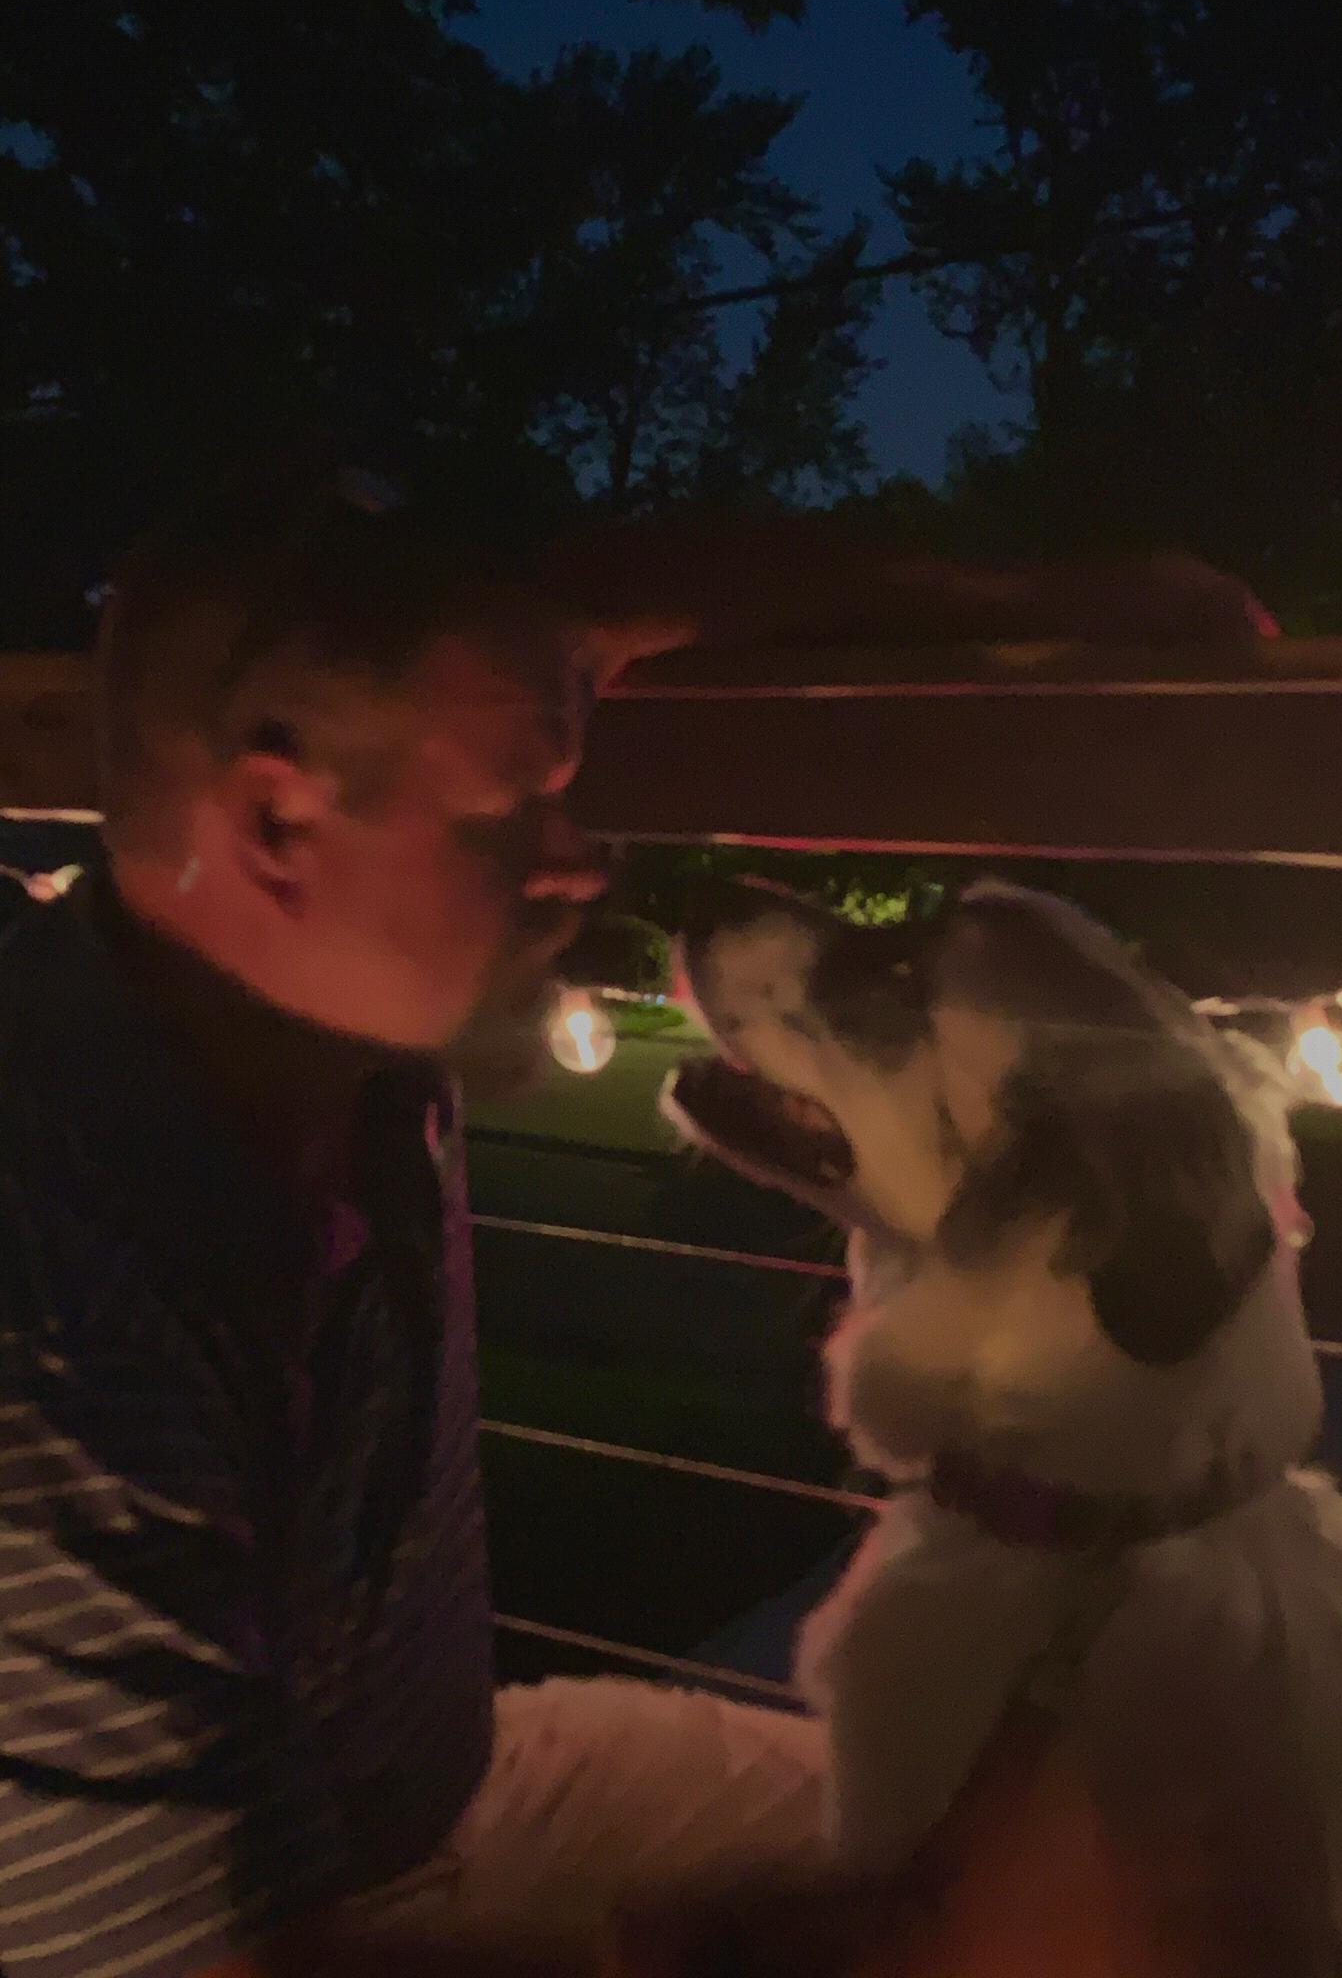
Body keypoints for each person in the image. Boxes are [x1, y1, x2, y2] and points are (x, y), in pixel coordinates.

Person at [0, 451, 1269, 1978]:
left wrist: (1056, 604)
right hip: (260, 1925)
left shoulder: (308, 1001)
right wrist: (840, 1949)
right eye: (514, 809)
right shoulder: (60, 1347)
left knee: (1180, 1877)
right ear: (277, 822)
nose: (583, 861)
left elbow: (612, 588)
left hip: (445, 1801)